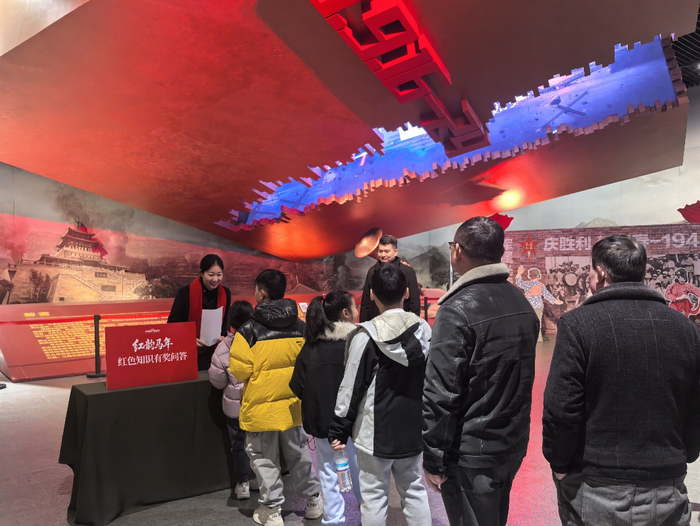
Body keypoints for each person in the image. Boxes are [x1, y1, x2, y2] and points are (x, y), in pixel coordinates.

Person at [542, 235, 700, 525]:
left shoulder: (578, 325)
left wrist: (559, 463)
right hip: (668, 482)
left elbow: (561, 408)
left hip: (598, 483)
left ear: (601, 273)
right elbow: (694, 402)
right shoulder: (685, 328)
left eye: (591, 271)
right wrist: (687, 452)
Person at [422, 216, 539, 526]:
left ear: (457, 251)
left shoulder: (456, 309)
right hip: (511, 442)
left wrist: (434, 458)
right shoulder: (520, 300)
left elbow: (441, 393)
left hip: (472, 453)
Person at [329, 264, 432, 526]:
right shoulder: (424, 330)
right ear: (407, 292)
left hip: (374, 432)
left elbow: (351, 386)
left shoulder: (364, 335)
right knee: (414, 490)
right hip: (413, 427)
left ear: (372, 294)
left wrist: (339, 427)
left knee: (373, 498)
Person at [229, 269, 322, 526]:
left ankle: (271, 511)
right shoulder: (301, 327)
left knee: (264, 459)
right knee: (299, 454)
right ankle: (314, 500)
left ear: (262, 293)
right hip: (293, 407)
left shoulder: (247, 331)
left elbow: (239, 370)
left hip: (261, 410)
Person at [289, 291, 362, 524]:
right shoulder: (357, 344)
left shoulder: (310, 347)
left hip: (321, 423)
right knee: (361, 471)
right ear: (345, 313)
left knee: (328, 472)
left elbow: (297, 385)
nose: (357, 311)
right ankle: (370, 515)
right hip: (354, 424)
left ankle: (333, 519)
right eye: (355, 306)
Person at [209, 300, 256, 500]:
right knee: (261, 445)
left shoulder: (222, 349)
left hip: (235, 409)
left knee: (238, 446)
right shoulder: (261, 342)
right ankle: (261, 479)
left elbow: (218, 381)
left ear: (230, 322)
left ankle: (243, 482)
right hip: (258, 405)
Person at [168, 254, 231, 370]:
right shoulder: (185, 293)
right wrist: (189, 339)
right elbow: (172, 324)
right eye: (211, 275)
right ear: (201, 273)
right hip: (191, 351)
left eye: (219, 275)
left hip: (216, 352)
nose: (215, 279)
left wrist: (223, 337)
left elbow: (226, 321)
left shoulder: (226, 293)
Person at [359, 235, 420, 322]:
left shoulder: (408, 271)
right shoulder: (372, 271)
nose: (383, 255)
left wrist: (413, 324)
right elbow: (365, 302)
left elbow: (414, 303)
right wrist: (364, 325)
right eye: (380, 251)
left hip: (401, 323)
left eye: (387, 251)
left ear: (396, 252)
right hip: (376, 323)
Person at [515, 265, 563, 341]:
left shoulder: (529, 284)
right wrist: (555, 301)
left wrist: (519, 274)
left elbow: (519, 282)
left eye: (532, 274)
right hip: (535, 306)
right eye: (531, 274)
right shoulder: (538, 285)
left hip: (531, 306)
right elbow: (547, 295)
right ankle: (537, 338)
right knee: (537, 322)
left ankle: (533, 337)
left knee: (531, 322)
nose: (531, 276)